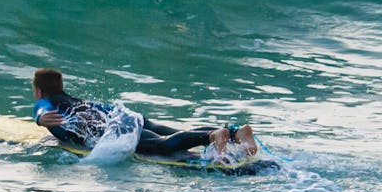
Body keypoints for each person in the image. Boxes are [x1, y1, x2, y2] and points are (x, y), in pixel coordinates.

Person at [32, 68, 257, 157]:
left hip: (118, 131)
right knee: (178, 133)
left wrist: (40, 119)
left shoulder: (46, 103)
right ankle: (235, 133)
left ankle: (212, 136)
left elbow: (40, 109)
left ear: (38, 90)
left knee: (162, 144)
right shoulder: (76, 101)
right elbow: (107, 110)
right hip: (129, 118)